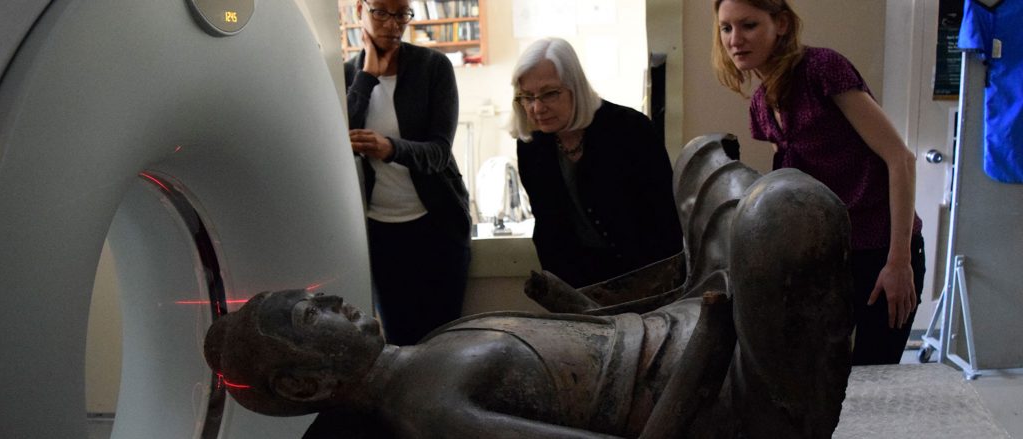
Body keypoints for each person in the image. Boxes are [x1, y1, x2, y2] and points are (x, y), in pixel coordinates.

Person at [203, 162, 856, 438]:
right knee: (787, 211)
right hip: (717, 392)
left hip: (682, 322)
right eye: (311, 312)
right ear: (305, 378)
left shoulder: (429, 350)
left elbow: (588, 350)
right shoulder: (432, 409)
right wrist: (710, 341)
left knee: (708, 167)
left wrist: (573, 302)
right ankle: (795, 405)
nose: (335, 299)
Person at [712, 0, 926, 365]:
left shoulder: (821, 69)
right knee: (822, 385)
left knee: (874, 380)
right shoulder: (762, 104)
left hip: (880, 251)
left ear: (780, 24)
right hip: (826, 256)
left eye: (748, 25)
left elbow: (900, 158)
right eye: (726, 28)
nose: (735, 40)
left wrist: (899, 262)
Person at [509, 37, 685, 290]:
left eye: (550, 94)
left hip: (648, 274)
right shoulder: (532, 144)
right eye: (527, 97)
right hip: (578, 280)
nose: (537, 108)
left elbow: (664, 221)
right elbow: (548, 227)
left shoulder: (630, 129)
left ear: (576, 87)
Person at [344, 0, 470, 345]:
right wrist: (367, 76)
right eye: (381, 12)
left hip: (437, 226)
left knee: (447, 342)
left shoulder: (433, 67)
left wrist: (391, 148)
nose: (393, 24)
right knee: (400, 345)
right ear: (360, 10)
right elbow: (340, 141)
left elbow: (439, 152)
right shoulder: (345, 74)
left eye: (402, 14)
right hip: (380, 233)